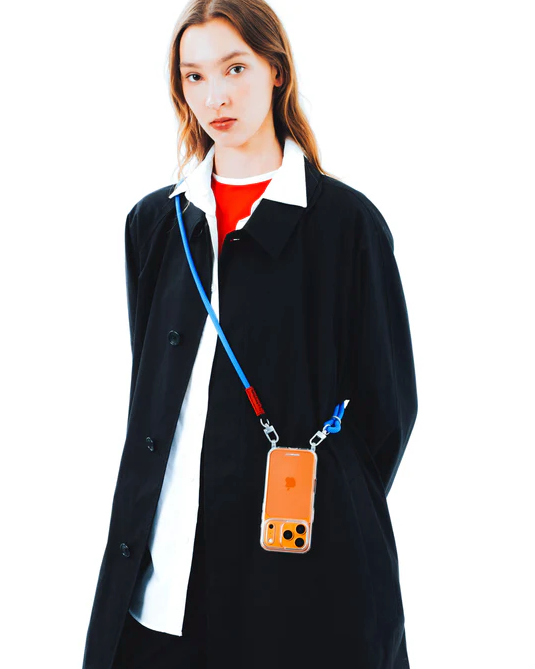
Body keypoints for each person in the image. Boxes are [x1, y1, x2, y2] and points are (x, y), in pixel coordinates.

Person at [82, 1, 418, 668]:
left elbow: (387, 410)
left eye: (234, 68)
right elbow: (154, 396)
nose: (216, 96)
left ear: (275, 71)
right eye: (195, 76)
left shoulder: (344, 224)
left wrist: (323, 499)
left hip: (301, 575)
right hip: (162, 574)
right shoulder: (155, 223)